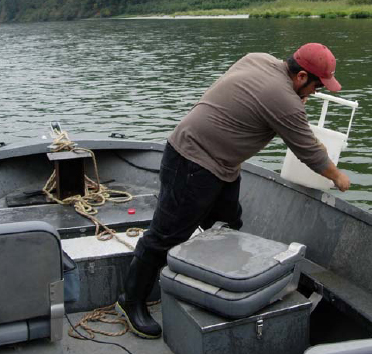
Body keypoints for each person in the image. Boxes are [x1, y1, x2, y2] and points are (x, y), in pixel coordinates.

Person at [115, 43, 351, 338]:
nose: (316, 93)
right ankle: (131, 301)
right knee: (165, 236)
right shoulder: (284, 100)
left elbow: (250, 100)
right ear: (301, 76)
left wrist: (293, 104)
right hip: (192, 160)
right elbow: (310, 152)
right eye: (316, 85)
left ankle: (208, 287)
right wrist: (338, 177)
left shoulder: (260, 58)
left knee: (227, 226)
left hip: (222, 166)